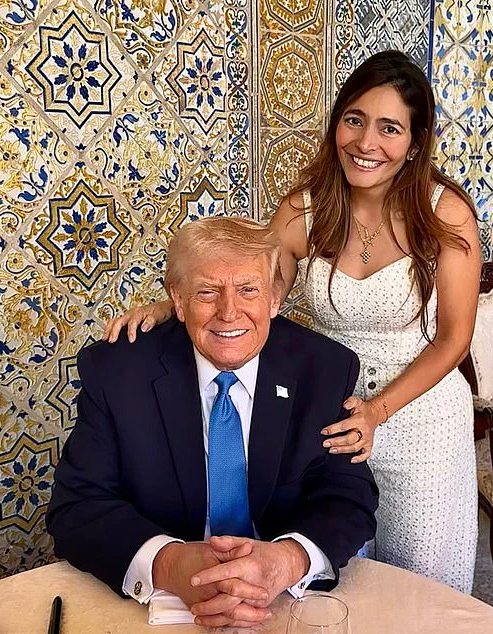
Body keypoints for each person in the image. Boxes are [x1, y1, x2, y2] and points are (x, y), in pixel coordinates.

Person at [103, 50, 481, 593]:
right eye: (354, 120)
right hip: (327, 414)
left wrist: (377, 411)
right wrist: (175, 304)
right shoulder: (305, 208)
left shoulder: (444, 212)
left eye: (389, 128)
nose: (365, 142)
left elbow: (454, 340)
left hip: (419, 420)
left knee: (418, 582)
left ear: (415, 143)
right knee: (338, 574)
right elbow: (252, 288)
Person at [47, 217, 378, 629]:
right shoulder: (118, 370)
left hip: (283, 604)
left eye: (248, 290)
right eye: (207, 292)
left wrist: (287, 560)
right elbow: (77, 506)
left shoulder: (324, 367)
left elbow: (349, 496)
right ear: (178, 299)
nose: (229, 312)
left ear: (274, 298)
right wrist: (169, 564)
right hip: (157, 606)